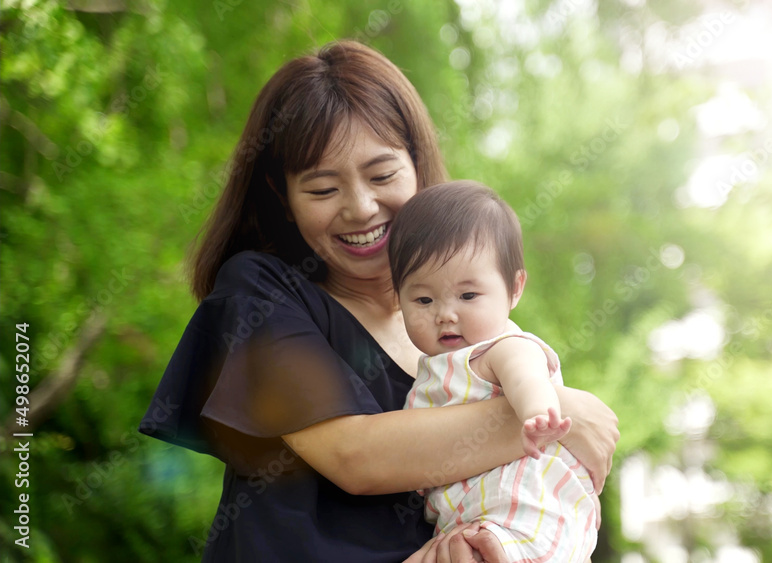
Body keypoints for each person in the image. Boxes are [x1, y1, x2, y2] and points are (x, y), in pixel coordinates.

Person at [139, 39, 619, 562]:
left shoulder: (459, 323)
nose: (361, 208)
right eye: (323, 190)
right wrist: (564, 412)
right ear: (283, 196)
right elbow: (356, 457)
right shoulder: (262, 294)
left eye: (383, 175)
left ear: (417, 163)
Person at [388, 181, 599, 561]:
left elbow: (526, 377)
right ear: (398, 298)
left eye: (468, 296)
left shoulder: (501, 348)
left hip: (525, 510)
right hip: (472, 521)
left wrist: (537, 415)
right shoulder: (431, 371)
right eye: (423, 299)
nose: (445, 314)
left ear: (514, 289)